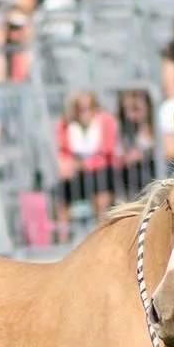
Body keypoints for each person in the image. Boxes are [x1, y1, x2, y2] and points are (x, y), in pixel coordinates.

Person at [54, 91, 117, 241]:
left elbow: (108, 150)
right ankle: (63, 237)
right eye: (80, 109)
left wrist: (84, 164)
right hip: (77, 173)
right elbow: (63, 152)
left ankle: (101, 235)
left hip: (99, 170)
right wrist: (72, 165)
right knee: (60, 193)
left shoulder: (105, 121)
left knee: (101, 186)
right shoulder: (67, 125)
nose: (84, 113)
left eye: (88, 108)